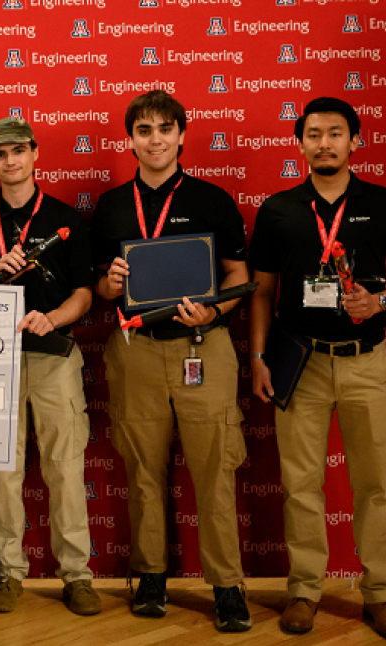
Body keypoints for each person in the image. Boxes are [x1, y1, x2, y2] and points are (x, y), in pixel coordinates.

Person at [248, 97, 386, 642]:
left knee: (374, 486)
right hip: (298, 363)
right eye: (313, 134)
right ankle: (304, 591)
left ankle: (380, 595)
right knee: (300, 486)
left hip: (365, 364)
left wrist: (381, 303)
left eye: (335, 133)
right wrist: (257, 358)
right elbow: (261, 291)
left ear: (355, 141)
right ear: (299, 143)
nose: (324, 143)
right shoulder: (279, 209)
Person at [90, 90, 251, 632]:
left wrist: (213, 313)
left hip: (203, 350)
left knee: (214, 472)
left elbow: (236, 274)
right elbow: (96, 285)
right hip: (136, 352)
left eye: (165, 128)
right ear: (130, 139)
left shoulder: (212, 199)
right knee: (143, 474)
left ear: (182, 135)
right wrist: (109, 285)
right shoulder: (112, 204)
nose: (154, 139)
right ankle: (151, 575)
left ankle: (227, 585)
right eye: (144, 129)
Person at [0, 117, 101, 616]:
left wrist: (53, 318)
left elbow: (85, 294)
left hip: (55, 358)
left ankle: (77, 576)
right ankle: (8, 574)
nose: (10, 161)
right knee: (3, 474)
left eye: (18, 151)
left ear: (34, 153)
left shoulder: (67, 218)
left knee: (66, 471)